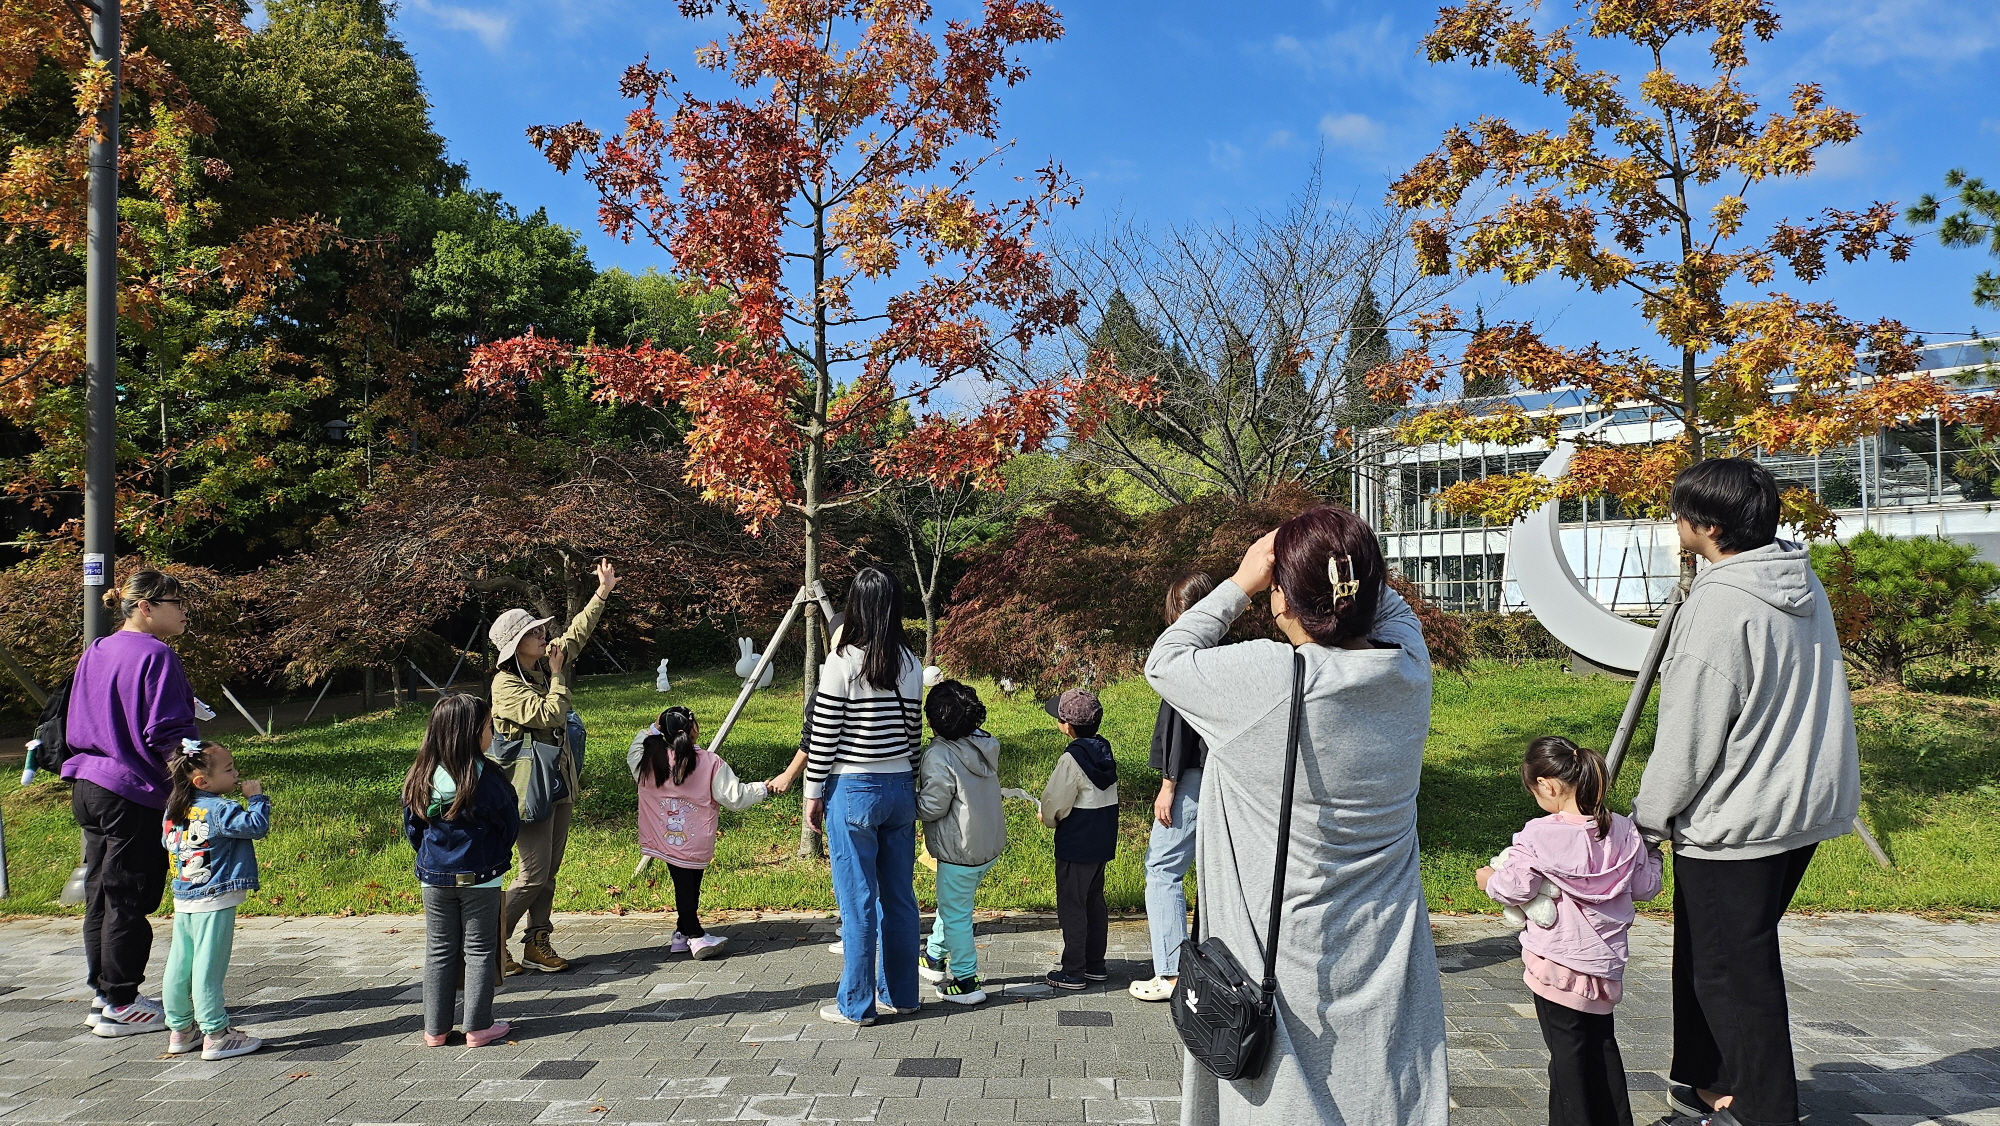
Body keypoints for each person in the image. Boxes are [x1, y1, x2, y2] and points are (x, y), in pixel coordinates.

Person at [1146, 505, 1447, 1126]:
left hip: (1283, 952)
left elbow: (1167, 660)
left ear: (1281, 600)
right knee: (1379, 1090)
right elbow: (1386, 607)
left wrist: (1240, 581)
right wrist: (1340, 564)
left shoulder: (1269, 679)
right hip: (1384, 945)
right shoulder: (1408, 671)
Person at [1632, 458, 1860, 1126]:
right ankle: (1706, 1077)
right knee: (1711, 953)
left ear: (1704, 525)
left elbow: (1690, 731)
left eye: (1679, 512)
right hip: (1801, 801)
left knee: (1733, 971)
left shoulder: (1721, 603)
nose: (1674, 523)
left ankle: (1764, 1108)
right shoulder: (1798, 580)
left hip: (1742, 816)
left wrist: (1648, 819)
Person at [1478, 737, 1662, 1126]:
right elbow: (1646, 887)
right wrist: (1656, 855)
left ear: (1547, 785)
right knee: (1601, 1048)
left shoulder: (1540, 835)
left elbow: (1515, 888)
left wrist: (1488, 879)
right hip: (1604, 964)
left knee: (1567, 1057)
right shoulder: (1624, 832)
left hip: (1556, 963)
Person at [64, 570, 201, 1036]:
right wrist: (193, 783)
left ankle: (105, 996)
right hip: (131, 789)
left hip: (89, 782)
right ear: (146, 605)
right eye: (176, 602)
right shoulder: (158, 654)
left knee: (102, 893)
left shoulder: (97, 650)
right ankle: (122, 1001)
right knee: (128, 897)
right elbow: (166, 734)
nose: (184, 611)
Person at [485, 558, 620, 975]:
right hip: (526, 788)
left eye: (541, 629)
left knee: (550, 871)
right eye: (535, 632)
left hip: (557, 780)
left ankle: (536, 941)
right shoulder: (505, 685)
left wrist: (601, 593)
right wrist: (559, 676)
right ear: (516, 643)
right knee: (533, 873)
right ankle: (487, 939)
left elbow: (575, 635)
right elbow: (550, 715)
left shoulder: (541, 664)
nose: (544, 634)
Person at [803, 568, 924, 1027]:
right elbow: (913, 736)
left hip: (852, 790)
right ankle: (903, 995)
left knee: (857, 902)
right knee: (899, 898)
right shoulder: (910, 662)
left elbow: (824, 735)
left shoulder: (842, 662)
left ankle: (856, 1004)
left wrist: (813, 793)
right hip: (898, 789)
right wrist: (907, 780)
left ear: (856, 605)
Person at [404, 694, 519, 1048]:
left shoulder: (420, 775)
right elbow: (509, 824)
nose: (492, 733)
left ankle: (435, 1030)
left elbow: (413, 828)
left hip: (433, 877)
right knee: (480, 950)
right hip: (482, 878)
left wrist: (431, 860)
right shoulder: (490, 778)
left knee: (439, 949)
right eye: (488, 727)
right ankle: (478, 1026)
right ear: (471, 734)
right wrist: (497, 856)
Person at [628, 706, 774, 959]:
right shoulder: (709, 762)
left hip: (662, 838)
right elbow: (734, 797)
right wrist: (764, 788)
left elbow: (635, 747)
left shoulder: (649, 760)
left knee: (686, 884)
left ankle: (681, 935)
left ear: (664, 731)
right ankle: (695, 936)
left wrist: (653, 729)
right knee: (687, 885)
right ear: (694, 729)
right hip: (695, 839)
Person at [1132, 571, 1214, 1003]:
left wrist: (1167, 785)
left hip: (1191, 779)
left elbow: (1179, 733)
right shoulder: (1223, 656)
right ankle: (1207, 966)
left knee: (1162, 869)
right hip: (1223, 779)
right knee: (1214, 873)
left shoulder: (1186, 659)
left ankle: (1170, 973)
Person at [159, 740, 269, 1060]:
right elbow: (256, 827)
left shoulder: (174, 808)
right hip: (215, 897)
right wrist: (256, 798)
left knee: (180, 963)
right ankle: (216, 1034)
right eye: (229, 769)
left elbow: (168, 842)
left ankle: (181, 1030)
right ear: (202, 781)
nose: (236, 773)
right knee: (209, 967)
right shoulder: (220, 809)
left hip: (185, 896)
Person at [913, 680, 1004, 1005]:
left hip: (959, 852)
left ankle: (966, 981)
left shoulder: (938, 755)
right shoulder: (983, 744)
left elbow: (932, 807)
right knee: (954, 904)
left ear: (931, 720)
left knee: (956, 915)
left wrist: (906, 801)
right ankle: (934, 957)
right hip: (986, 844)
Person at [1037, 688, 1117, 991]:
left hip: (1077, 839)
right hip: (1102, 837)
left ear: (1067, 726)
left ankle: (1073, 971)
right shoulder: (1103, 750)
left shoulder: (1072, 757)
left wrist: (1046, 816)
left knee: (1072, 905)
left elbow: (1055, 801)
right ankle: (1095, 964)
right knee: (1094, 902)